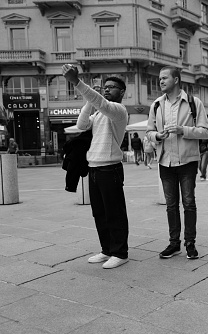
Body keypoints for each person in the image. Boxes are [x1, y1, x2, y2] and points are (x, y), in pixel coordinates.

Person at [62, 63, 129, 269]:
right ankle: (107, 249)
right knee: (99, 212)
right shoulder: (99, 113)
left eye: (112, 87)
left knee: (114, 212)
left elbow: (104, 104)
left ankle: (120, 252)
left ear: (122, 92)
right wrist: (89, 103)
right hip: (94, 168)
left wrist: (77, 82)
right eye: (105, 86)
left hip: (111, 168)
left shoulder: (118, 110)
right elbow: (81, 125)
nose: (107, 89)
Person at [146, 66, 208, 260]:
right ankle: (174, 244)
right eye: (159, 78)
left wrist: (184, 130)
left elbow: (206, 132)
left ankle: (190, 243)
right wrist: (157, 135)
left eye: (165, 77)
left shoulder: (193, 102)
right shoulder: (156, 105)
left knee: (189, 203)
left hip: (187, 161)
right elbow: (149, 132)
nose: (161, 81)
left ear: (176, 80)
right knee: (171, 205)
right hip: (165, 162)